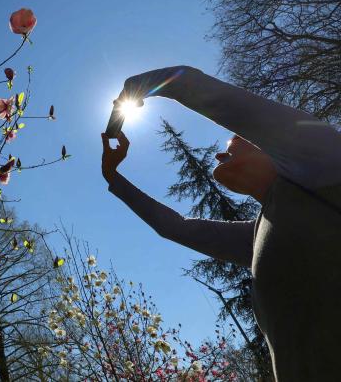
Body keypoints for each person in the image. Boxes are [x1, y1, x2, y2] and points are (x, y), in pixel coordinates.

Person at [101, 66, 341, 382]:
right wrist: (113, 178)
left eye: (230, 144)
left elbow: (221, 101)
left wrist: (136, 87)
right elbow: (176, 227)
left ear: (268, 147)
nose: (218, 155)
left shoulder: (322, 161)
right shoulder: (255, 235)